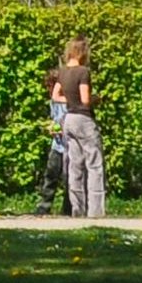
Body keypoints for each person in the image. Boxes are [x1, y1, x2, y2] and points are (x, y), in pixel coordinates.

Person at [50, 35, 104, 218]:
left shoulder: (62, 72)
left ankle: (77, 209)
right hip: (83, 119)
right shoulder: (83, 72)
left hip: (69, 119)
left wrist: (69, 100)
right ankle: (95, 211)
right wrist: (96, 99)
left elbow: (55, 96)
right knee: (94, 164)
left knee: (75, 164)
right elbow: (85, 99)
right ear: (83, 52)